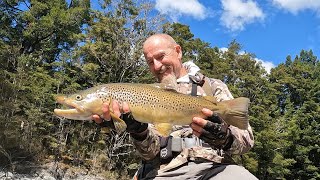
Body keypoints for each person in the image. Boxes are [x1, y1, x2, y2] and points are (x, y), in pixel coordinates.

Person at [92, 34, 257, 179]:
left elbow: (246, 142)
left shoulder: (212, 86)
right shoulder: (145, 95)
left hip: (214, 168)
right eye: (150, 62)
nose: (157, 66)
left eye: (161, 56)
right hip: (163, 171)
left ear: (178, 51)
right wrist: (138, 132)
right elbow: (150, 153)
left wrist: (225, 137)